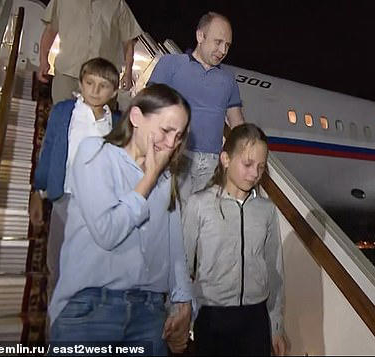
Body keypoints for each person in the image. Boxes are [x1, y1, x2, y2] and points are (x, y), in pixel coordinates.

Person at [48, 84, 193, 355]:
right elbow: (108, 231)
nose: (172, 144)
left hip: (149, 314)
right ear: (136, 118)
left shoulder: (165, 178)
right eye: (165, 131)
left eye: (179, 135)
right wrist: (148, 180)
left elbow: (174, 245)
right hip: (91, 309)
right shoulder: (95, 153)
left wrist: (183, 300)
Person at [182, 123, 286, 356]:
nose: (254, 174)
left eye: (260, 167)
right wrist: (179, 315)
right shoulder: (199, 205)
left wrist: (276, 325)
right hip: (212, 320)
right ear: (225, 159)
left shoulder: (266, 210)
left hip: (255, 321)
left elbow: (274, 270)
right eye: (248, 164)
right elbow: (183, 266)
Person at [30, 57, 121, 301]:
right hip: (66, 200)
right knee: (58, 265)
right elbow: (48, 149)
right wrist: (38, 191)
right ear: (80, 83)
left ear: (114, 91)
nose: (95, 90)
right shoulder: (64, 112)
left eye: (103, 85)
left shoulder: (118, 124)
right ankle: (55, 329)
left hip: (99, 207)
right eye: (89, 82)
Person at [148, 12, 244, 201]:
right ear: (200, 36)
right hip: (175, 156)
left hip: (211, 164)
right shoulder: (171, 65)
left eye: (227, 45)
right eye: (218, 42)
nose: (223, 50)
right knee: (173, 215)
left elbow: (237, 122)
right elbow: (149, 107)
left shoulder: (228, 80)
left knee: (200, 221)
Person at [37, 0, 143, 103]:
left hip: (103, 78)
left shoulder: (118, 4)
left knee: (100, 119)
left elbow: (128, 42)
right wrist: (43, 60)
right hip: (67, 73)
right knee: (62, 116)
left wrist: (128, 72)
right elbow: (50, 30)